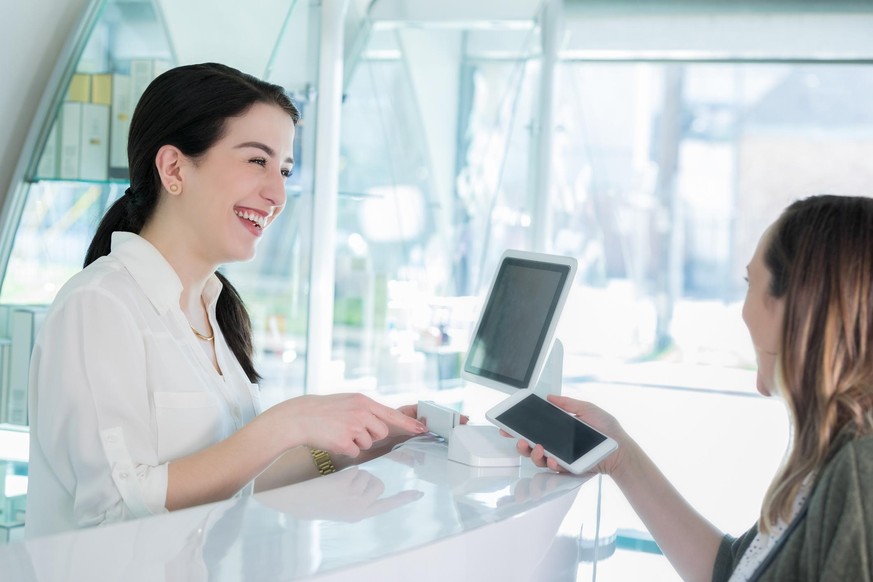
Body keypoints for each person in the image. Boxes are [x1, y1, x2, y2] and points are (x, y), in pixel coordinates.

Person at [25, 62, 428, 538]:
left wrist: (355, 443)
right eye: (257, 161)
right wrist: (286, 422)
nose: (277, 193)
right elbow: (113, 510)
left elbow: (236, 484)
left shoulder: (211, 311)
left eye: (285, 169)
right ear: (174, 168)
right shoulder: (99, 306)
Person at [515, 194, 873, 581]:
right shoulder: (830, 458)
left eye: (750, 282)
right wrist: (619, 455)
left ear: (800, 306)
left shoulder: (859, 471)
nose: (742, 310)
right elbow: (733, 572)